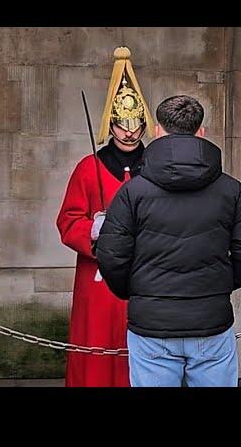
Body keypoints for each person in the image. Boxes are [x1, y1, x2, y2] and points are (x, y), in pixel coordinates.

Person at [96, 95, 241, 387]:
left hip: (152, 322)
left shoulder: (133, 192)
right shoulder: (230, 190)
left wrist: (138, 290)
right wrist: (220, 283)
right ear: (200, 132)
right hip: (210, 321)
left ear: (156, 130)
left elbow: (111, 255)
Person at [56, 46, 155, 387]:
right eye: (121, 124)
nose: (129, 132)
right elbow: (68, 221)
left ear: (144, 124)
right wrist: (93, 229)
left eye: (135, 124)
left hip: (145, 276)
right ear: (110, 124)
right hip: (97, 281)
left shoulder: (157, 169)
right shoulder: (88, 168)